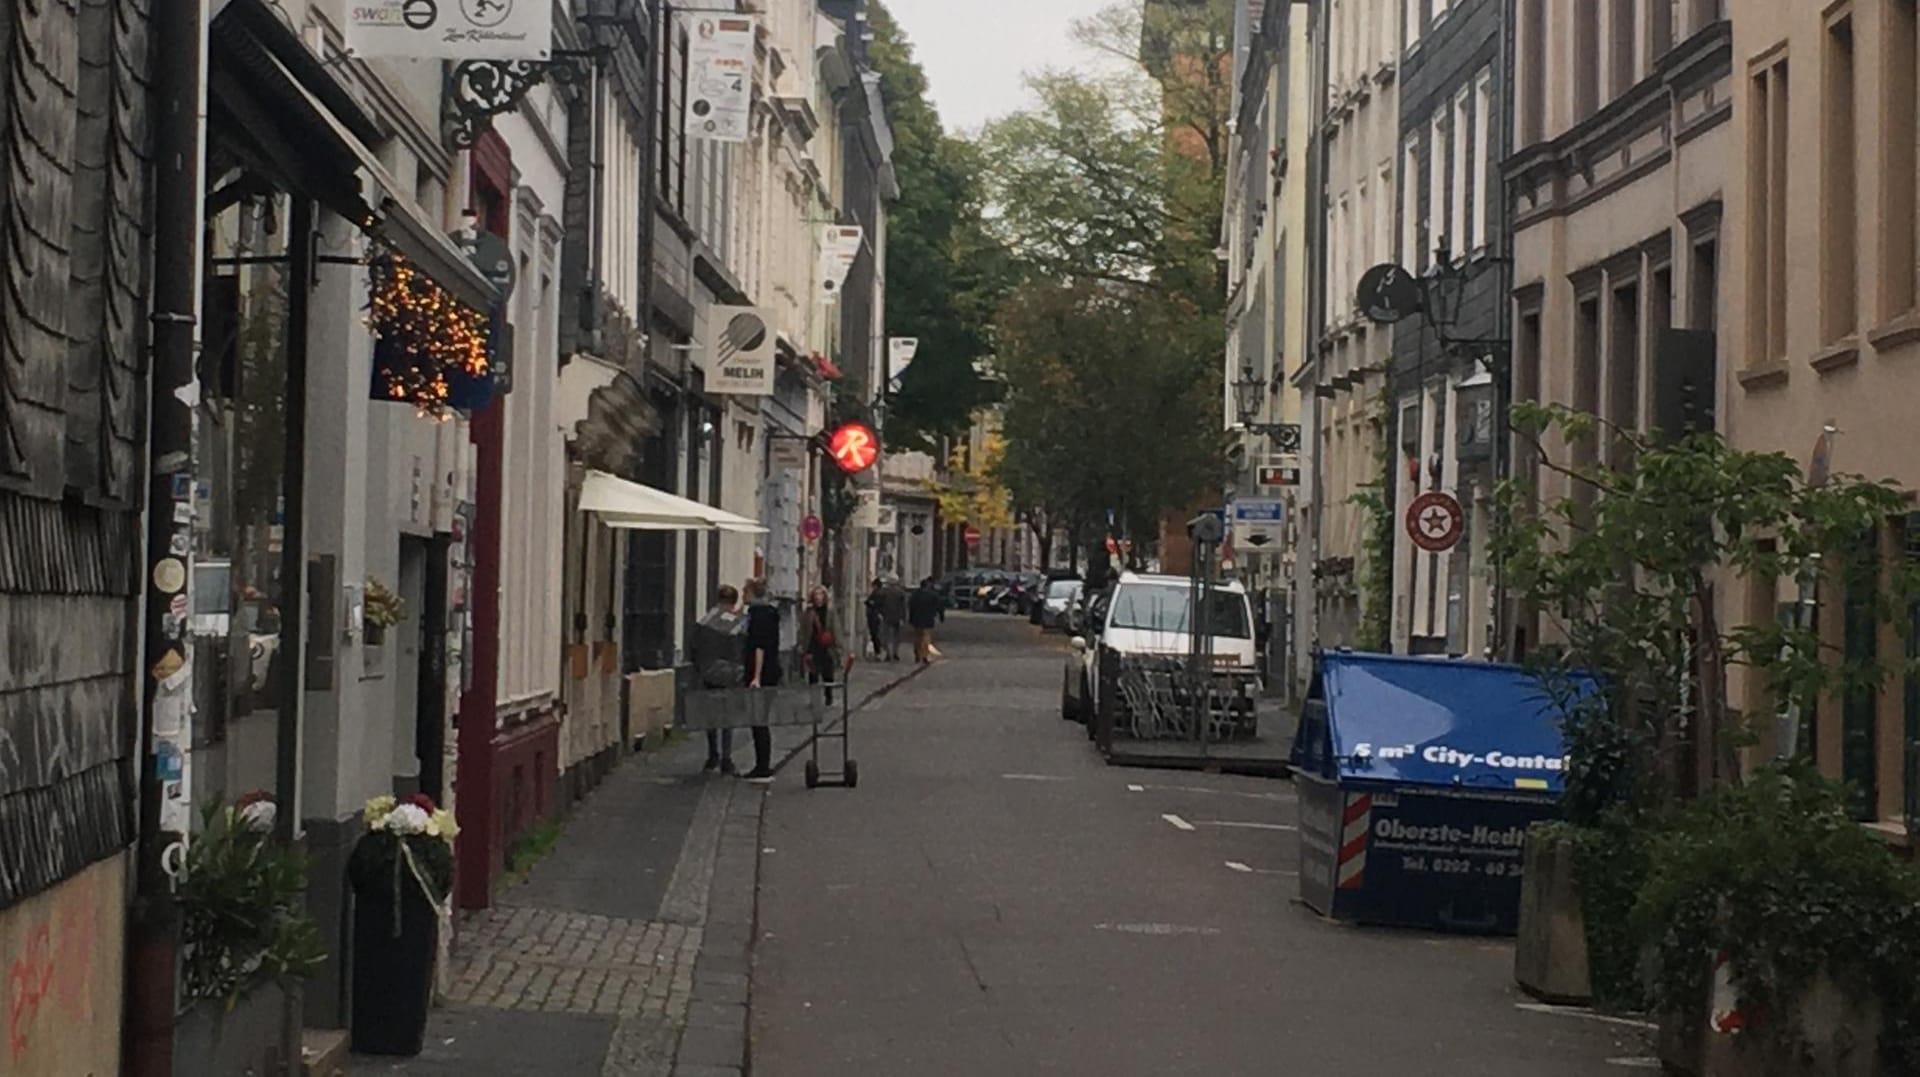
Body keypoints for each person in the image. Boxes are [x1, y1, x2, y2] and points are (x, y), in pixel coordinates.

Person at [691, 584, 746, 773]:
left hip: (708, 673)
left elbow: (694, 646)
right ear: (733, 601)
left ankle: (712, 754)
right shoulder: (737, 622)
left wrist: (699, 668)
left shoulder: (705, 620)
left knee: (711, 715)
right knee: (728, 717)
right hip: (729, 674)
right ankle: (727, 757)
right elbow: (741, 648)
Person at [740, 578, 781, 781]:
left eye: (745, 592)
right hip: (772, 672)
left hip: (761, 674)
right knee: (760, 720)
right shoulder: (770, 613)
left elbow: (759, 647)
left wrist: (756, 676)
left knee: (758, 720)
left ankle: (762, 766)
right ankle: (762, 764)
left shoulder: (758, 616)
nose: (742, 596)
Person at [797, 586, 843, 706]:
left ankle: (828, 696)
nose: (818, 597)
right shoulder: (809, 612)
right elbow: (804, 629)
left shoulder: (830, 611)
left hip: (827, 647)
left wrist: (838, 646)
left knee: (828, 674)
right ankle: (814, 699)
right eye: (816, 595)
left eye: (821, 594)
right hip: (813, 646)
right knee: (813, 675)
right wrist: (802, 645)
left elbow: (836, 628)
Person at [908, 576, 943, 665]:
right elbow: (939, 606)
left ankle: (917, 653)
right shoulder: (933, 595)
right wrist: (941, 616)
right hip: (928, 618)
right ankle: (924, 655)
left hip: (916, 619)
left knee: (917, 637)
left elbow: (911, 606)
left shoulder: (915, 594)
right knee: (926, 637)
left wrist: (910, 618)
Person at [877, 576, 908, 661]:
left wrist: (880, 613)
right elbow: (903, 607)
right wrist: (903, 618)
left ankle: (888, 653)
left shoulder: (883, 592)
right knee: (896, 636)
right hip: (897, 617)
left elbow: (879, 604)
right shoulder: (900, 593)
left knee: (884, 636)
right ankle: (895, 652)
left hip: (886, 616)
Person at [864, 578, 885, 659]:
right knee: (876, 634)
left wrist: (869, 603)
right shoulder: (881, 593)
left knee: (875, 634)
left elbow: (870, 602)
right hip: (877, 615)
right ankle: (879, 651)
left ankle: (878, 651)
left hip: (873, 616)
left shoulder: (876, 593)